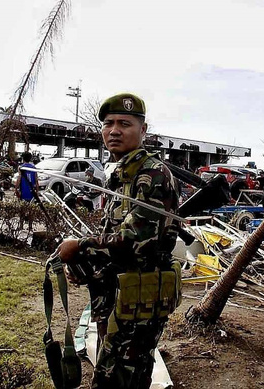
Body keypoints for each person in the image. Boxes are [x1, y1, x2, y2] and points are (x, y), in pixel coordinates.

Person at [57, 93, 180, 389]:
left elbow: (137, 242)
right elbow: (114, 242)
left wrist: (81, 246)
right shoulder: (121, 175)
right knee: (115, 372)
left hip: (138, 301)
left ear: (143, 130)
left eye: (124, 123)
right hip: (115, 298)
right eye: (108, 123)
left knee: (119, 377)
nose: (114, 130)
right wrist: (85, 265)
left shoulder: (152, 175)